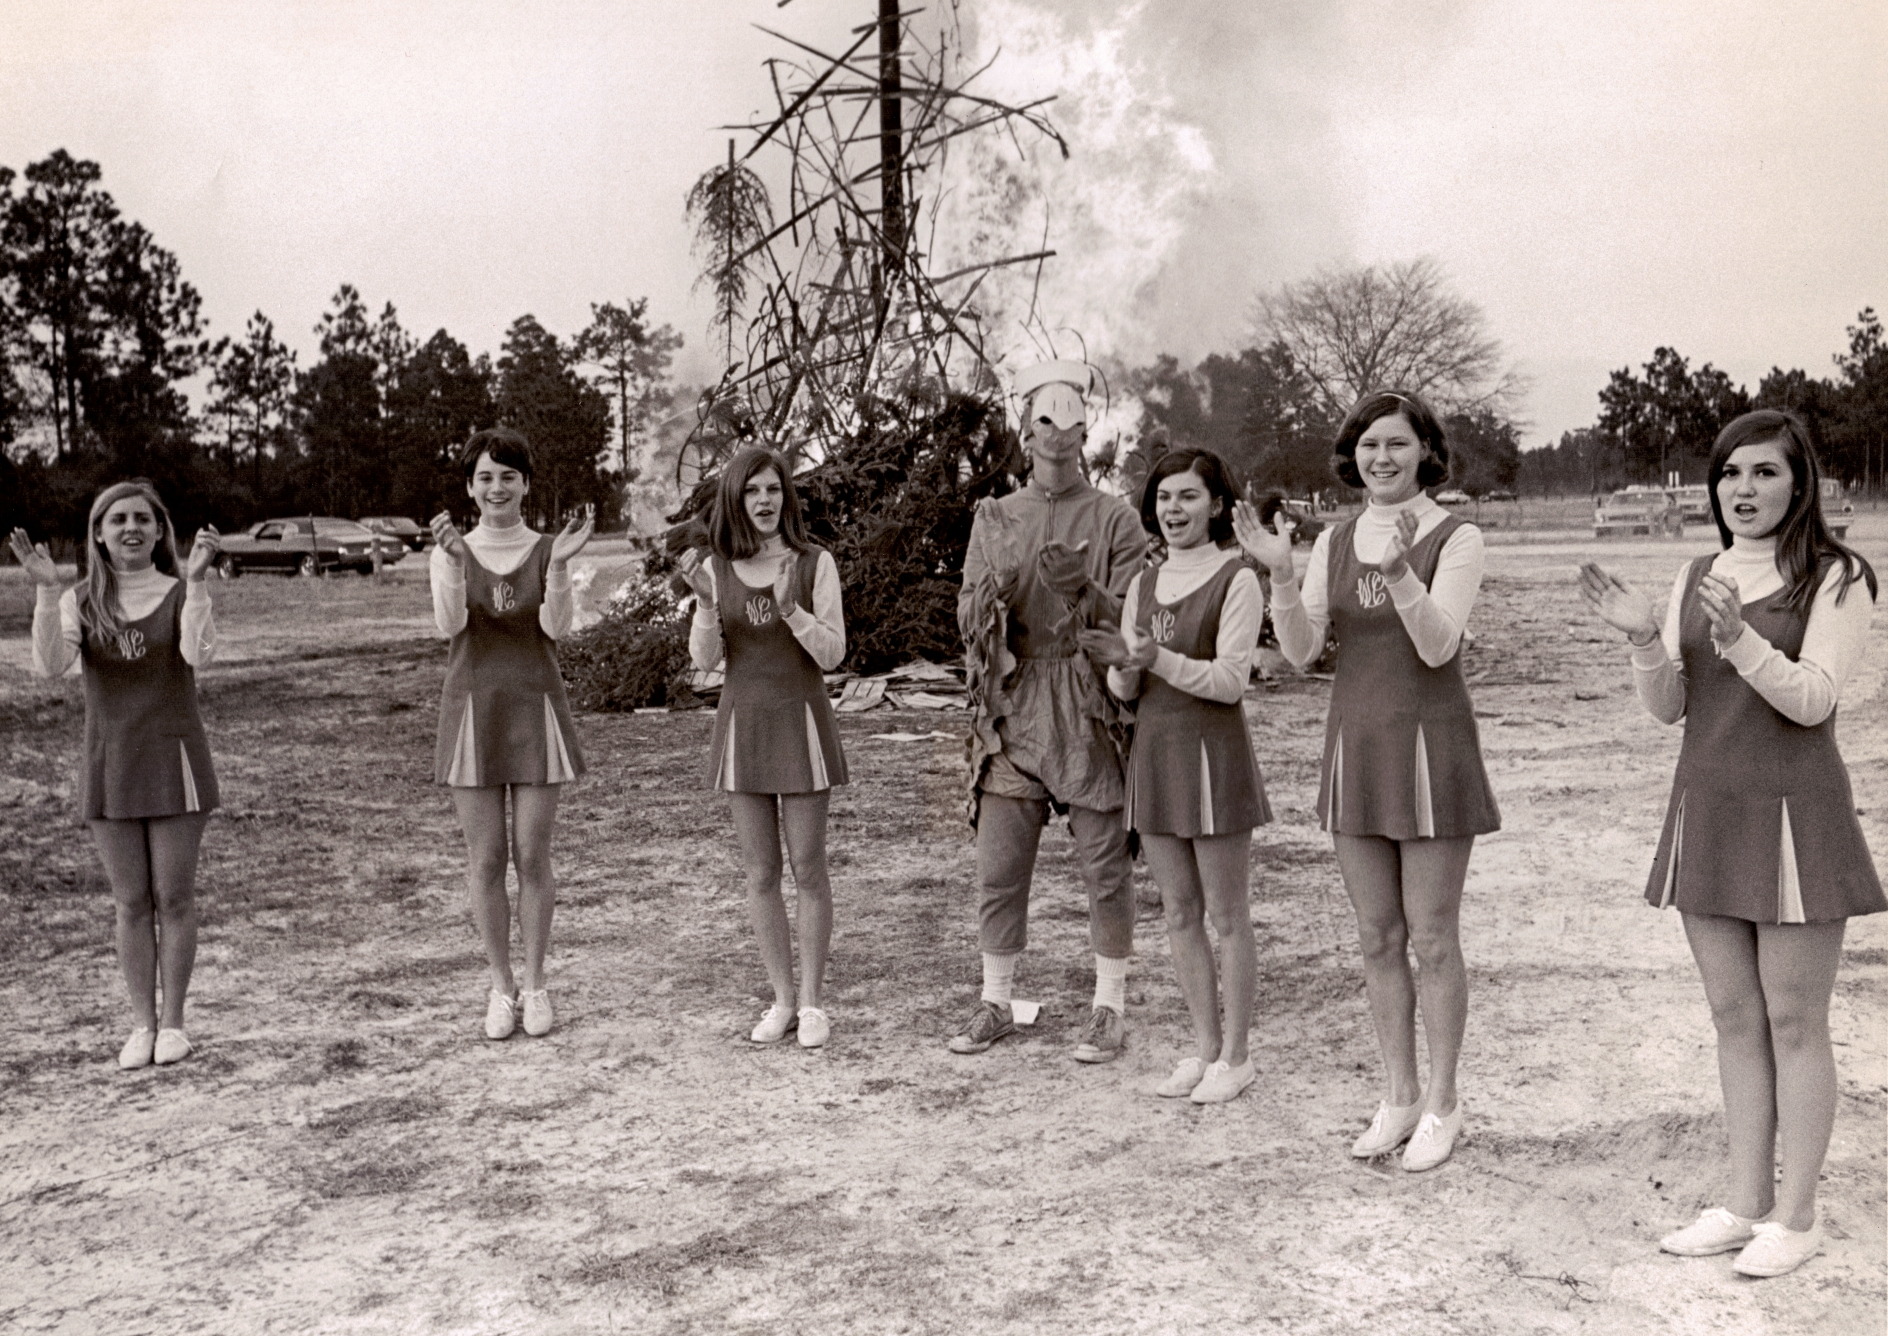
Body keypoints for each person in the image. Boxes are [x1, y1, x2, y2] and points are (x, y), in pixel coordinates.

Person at [1579, 409, 1881, 1278]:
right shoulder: (1696, 573)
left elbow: (1815, 699)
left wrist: (1741, 640)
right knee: (1734, 1017)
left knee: (1795, 1021)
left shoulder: (1836, 576)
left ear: (1800, 483)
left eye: (1765, 472)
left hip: (1795, 814)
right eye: (1729, 474)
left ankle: (1799, 1216)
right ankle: (1746, 1203)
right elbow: (1671, 708)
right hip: (1707, 810)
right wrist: (1646, 638)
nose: (1743, 490)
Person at [1237, 389, 1497, 1169]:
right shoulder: (1336, 539)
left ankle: (1444, 1102)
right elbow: (1300, 653)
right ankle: (1399, 1094)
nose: (1381, 458)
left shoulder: (1457, 535)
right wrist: (1283, 577)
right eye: (1369, 445)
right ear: (1352, 455)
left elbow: (1438, 647)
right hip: (1358, 746)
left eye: (1397, 444)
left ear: (1426, 452)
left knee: (1433, 937)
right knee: (1378, 935)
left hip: (1431, 748)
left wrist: (1401, 575)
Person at [952, 358, 1147, 1062]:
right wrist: (994, 593)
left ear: (1086, 430)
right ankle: (996, 1000)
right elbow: (966, 615)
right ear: (1025, 430)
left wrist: (1084, 589)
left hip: (1090, 701)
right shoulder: (996, 517)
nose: (1057, 437)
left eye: (1070, 422)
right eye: (1044, 421)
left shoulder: (1116, 518)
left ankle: (1109, 1008)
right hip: (1013, 701)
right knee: (999, 865)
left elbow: (1133, 620)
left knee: (1105, 864)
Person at [13, 482, 222, 1069]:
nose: (131, 528)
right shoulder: (79, 599)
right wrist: (46, 590)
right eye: (118, 520)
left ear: (159, 532)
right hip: (110, 761)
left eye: (142, 519)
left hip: (175, 759)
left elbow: (200, 655)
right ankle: (141, 1025)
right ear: (99, 535)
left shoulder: (179, 591)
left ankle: (174, 1023)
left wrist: (198, 583)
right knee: (130, 901)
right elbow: (50, 667)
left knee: (173, 897)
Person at [1086, 449, 1269, 1103]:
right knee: (1180, 912)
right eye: (1164, 497)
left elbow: (1229, 682)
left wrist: (1154, 657)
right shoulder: (1143, 583)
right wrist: (1124, 665)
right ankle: (1206, 1049)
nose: (1174, 509)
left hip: (1214, 758)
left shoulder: (1237, 579)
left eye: (1189, 496)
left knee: (1228, 914)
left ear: (1216, 505)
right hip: (1157, 757)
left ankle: (1238, 1056)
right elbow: (1127, 690)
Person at [678, 447, 848, 1048]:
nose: (764, 500)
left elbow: (834, 653)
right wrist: (704, 603)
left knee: (809, 866)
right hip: (743, 727)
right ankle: (782, 1000)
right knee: (760, 873)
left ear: (786, 496)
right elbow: (704, 661)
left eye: (773, 489)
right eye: (752, 491)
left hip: (801, 724)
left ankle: (814, 1002)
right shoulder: (717, 568)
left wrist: (791, 611)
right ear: (736, 500)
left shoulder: (814, 562)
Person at [429, 428, 593, 1041]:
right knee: (487, 858)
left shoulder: (550, 548)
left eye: (508, 476)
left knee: (532, 854)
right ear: (470, 488)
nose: (496, 488)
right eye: (485, 477)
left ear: (526, 484)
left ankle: (536, 982)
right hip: (472, 711)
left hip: (535, 708)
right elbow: (449, 624)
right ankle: (500, 986)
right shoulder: (451, 549)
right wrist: (452, 562)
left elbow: (558, 628)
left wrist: (562, 567)